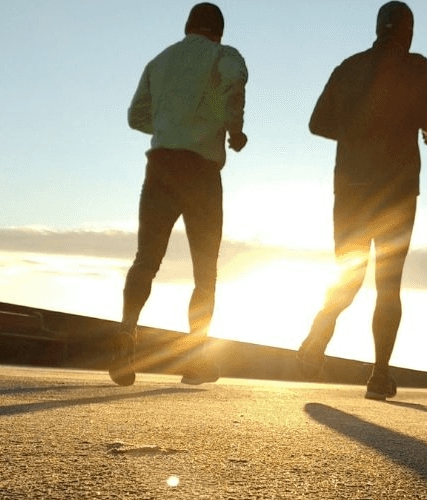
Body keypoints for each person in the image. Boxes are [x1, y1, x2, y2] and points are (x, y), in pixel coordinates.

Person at [295, 1, 427, 401]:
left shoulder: (348, 67)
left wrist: (357, 132)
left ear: (378, 28)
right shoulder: (418, 68)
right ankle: (379, 376)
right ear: (408, 32)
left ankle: (321, 328)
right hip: (396, 191)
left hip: (351, 189)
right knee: (388, 284)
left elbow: (316, 123)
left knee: (350, 274)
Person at [109, 2, 248, 387]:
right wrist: (233, 129)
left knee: (146, 260)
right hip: (201, 173)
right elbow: (234, 86)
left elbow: (136, 116)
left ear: (187, 27)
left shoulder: (161, 60)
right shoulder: (225, 56)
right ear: (219, 31)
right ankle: (195, 359)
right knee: (205, 273)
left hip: (160, 167)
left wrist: (172, 122)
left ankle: (127, 332)